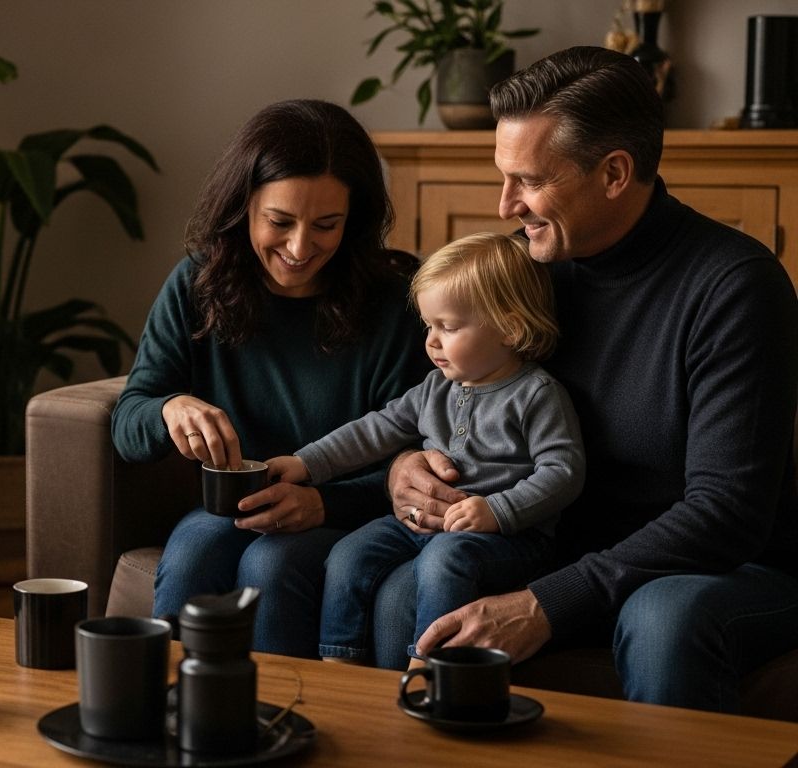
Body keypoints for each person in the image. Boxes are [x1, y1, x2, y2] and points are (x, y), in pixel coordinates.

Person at [385, 47, 798, 712]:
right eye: (503, 178)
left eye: (528, 181)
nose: (506, 205)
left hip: (716, 567)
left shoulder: (734, 287)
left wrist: (548, 602)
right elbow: (439, 400)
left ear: (613, 173)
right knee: (404, 590)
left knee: (663, 619)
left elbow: (726, 513)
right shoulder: (524, 271)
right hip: (554, 543)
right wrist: (407, 465)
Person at [111, 99, 431, 658]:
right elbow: (128, 424)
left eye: (326, 225)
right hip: (234, 507)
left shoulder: (395, 303)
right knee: (191, 554)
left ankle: (278, 709)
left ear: (354, 219)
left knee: (272, 563)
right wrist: (169, 408)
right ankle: (170, 700)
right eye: (279, 222)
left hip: (347, 511)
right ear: (245, 206)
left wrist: (324, 504)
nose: (300, 248)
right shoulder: (197, 285)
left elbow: (418, 451)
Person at [265, 231, 583, 666]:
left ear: (510, 328)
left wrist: (498, 510)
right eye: (429, 325)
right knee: (349, 554)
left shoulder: (537, 395)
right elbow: (373, 430)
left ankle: (428, 667)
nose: (431, 341)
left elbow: (563, 470)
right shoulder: (436, 388)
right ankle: (341, 664)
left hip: (510, 537)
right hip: (425, 526)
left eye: (447, 327)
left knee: (443, 560)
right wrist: (304, 463)